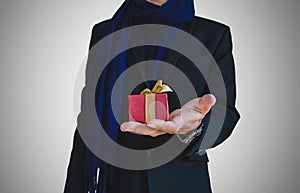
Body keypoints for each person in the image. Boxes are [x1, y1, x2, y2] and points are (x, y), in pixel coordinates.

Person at [64, 0, 240, 193]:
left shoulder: (213, 35)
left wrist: (193, 128)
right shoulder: (105, 33)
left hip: (183, 181)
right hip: (120, 181)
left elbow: (226, 112)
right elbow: (90, 118)